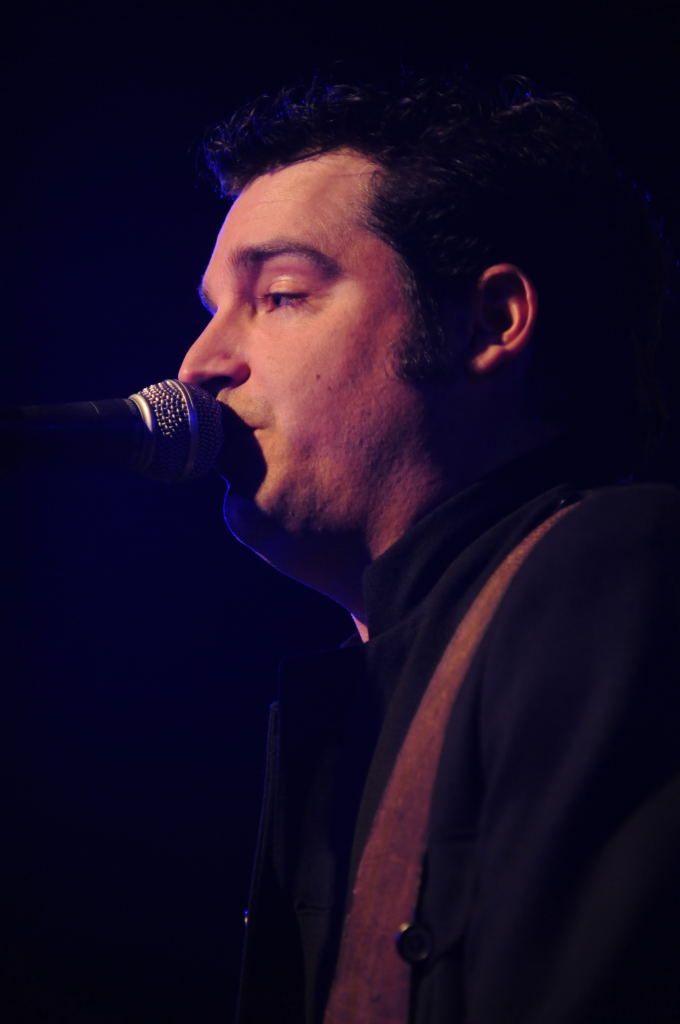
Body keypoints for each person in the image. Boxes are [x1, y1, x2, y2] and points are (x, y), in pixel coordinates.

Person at [178, 72, 680, 1024]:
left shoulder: (618, 570)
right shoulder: (369, 681)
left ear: (490, 322)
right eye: (212, 308)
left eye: (279, 295)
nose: (198, 365)